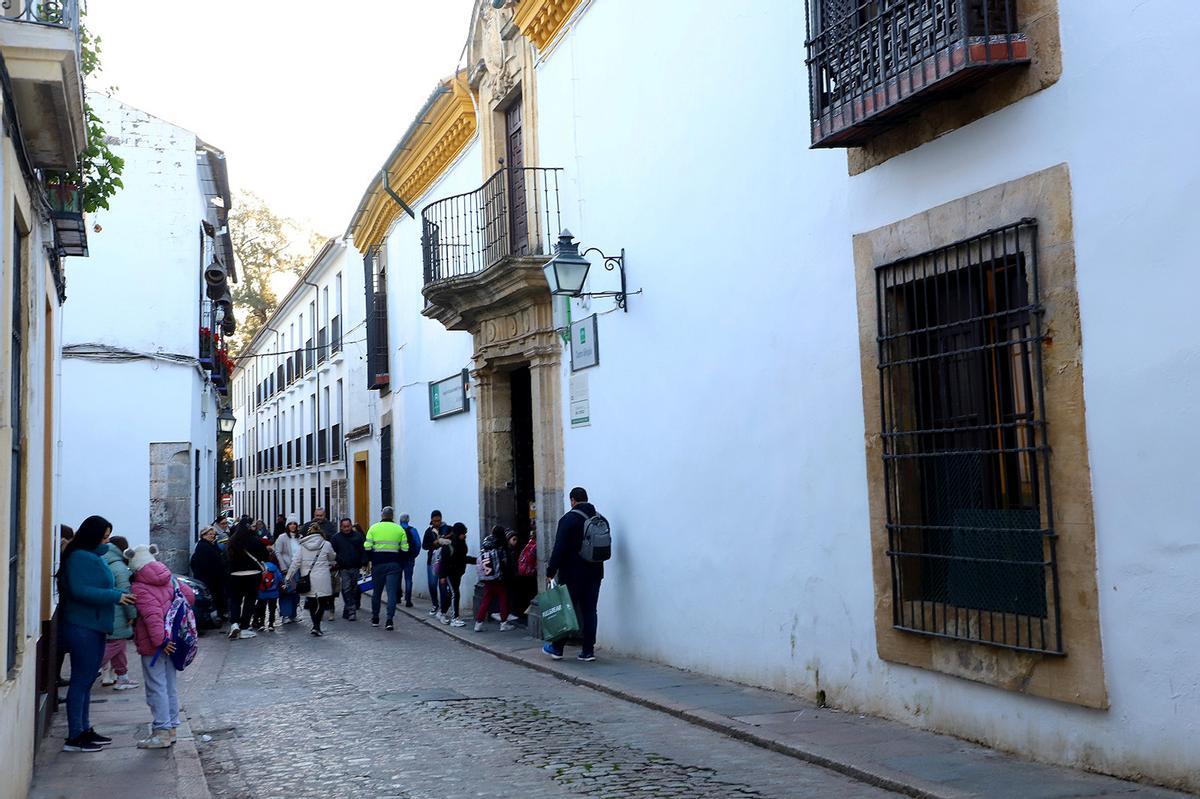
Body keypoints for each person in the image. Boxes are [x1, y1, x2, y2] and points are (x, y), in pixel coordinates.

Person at [57, 515, 136, 752]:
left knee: (86, 680)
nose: (107, 542)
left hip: (95, 624)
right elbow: (81, 590)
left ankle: (84, 728)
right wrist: (116, 596)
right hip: (84, 626)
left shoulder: (91, 555)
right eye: (104, 537)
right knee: (81, 681)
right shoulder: (80, 557)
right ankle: (75, 736)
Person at [128, 544, 195, 749]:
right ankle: (172, 727)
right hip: (174, 640)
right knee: (170, 685)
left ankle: (162, 731)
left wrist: (160, 641)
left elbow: (152, 617)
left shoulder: (140, 586)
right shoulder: (170, 578)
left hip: (156, 645)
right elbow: (190, 597)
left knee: (156, 686)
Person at [544, 487, 605, 663]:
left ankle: (557, 648)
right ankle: (588, 651)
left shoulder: (568, 520)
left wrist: (551, 571)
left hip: (572, 575)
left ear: (572, 500)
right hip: (594, 574)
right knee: (590, 611)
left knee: (565, 611)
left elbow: (559, 548)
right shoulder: (600, 519)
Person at [99, 535, 139, 690]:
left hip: (107, 610)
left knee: (119, 648)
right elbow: (126, 593)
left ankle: (122, 677)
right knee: (115, 645)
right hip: (118, 612)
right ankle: (89, 667)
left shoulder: (104, 560)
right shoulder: (120, 567)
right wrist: (132, 614)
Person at [285, 523, 336, 636]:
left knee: (312, 602)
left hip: (308, 579)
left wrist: (288, 577)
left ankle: (315, 625)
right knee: (321, 603)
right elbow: (332, 557)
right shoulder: (326, 544)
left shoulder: (302, 546)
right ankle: (317, 626)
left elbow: (295, 563)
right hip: (323, 578)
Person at [364, 507, 409, 631]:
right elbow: (405, 549)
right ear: (392, 516)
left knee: (377, 593)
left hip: (378, 564)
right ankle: (389, 620)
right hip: (394, 564)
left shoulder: (373, 528)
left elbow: (367, 547)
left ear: (382, 515)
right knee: (391, 593)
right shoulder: (399, 529)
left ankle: (375, 617)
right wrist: (400, 561)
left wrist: (371, 559)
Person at [226, 518, 269, 640]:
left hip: (235, 575)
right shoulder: (255, 540)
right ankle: (244, 626)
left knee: (235, 600)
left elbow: (227, 558)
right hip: (252, 574)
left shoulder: (232, 541)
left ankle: (234, 623)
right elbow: (265, 556)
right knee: (249, 601)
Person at [474, 527, 514, 633]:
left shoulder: (486, 543)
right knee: (503, 599)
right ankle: (503, 624)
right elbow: (505, 562)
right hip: (499, 577)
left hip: (487, 577)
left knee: (486, 599)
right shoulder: (501, 544)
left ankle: (478, 623)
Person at [189, 526, 227, 626]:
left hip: (212, 578)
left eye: (213, 534)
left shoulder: (210, 545)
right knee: (212, 598)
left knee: (215, 598)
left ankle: (216, 616)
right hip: (208, 578)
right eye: (209, 534)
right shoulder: (203, 546)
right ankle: (211, 619)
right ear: (203, 535)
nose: (212, 536)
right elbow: (209, 562)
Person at [438, 522, 474, 627]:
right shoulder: (449, 546)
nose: (464, 535)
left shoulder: (461, 544)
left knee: (451, 595)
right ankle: (455, 618)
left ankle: (442, 613)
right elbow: (443, 562)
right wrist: (442, 576)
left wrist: (477, 561)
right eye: (463, 533)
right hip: (450, 573)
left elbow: (463, 558)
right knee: (455, 594)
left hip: (457, 573)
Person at [330, 517, 365, 620]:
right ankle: (351, 611)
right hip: (343, 568)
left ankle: (347, 609)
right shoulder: (336, 538)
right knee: (346, 588)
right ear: (341, 527)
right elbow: (332, 553)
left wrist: (364, 563)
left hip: (355, 567)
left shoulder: (358, 537)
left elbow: (363, 551)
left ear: (351, 525)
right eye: (344, 527)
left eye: (348, 526)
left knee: (354, 589)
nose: (346, 529)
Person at [274, 516, 303, 623]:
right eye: (290, 524)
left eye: (295, 523)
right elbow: (277, 552)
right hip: (286, 570)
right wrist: (283, 567)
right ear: (287, 525)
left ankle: (293, 614)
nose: (293, 526)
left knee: (296, 592)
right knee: (286, 592)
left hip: (298, 570)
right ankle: (285, 615)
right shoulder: (282, 537)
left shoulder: (300, 537)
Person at [423, 511, 451, 615]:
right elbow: (424, 546)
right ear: (431, 520)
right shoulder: (428, 531)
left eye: (438, 520)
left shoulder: (447, 528)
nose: (437, 523)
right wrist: (433, 543)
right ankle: (435, 604)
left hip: (444, 561)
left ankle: (443, 608)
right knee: (432, 584)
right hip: (432, 561)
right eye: (434, 521)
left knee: (443, 585)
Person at [253, 553, 284, 632]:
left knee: (262, 608)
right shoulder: (274, 567)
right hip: (273, 593)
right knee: (272, 608)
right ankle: (271, 624)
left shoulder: (260, 567)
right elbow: (280, 578)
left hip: (262, 593)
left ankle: (262, 623)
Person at [397, 513, 420, 608]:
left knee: (398, 578)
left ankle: (398, 597)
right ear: (408, 520)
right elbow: (418, 544)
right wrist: (414, 555)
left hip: (398, 557)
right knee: (408, 579)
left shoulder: (397, 530)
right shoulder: (413, 530)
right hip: (409, 557)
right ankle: (408, 600)